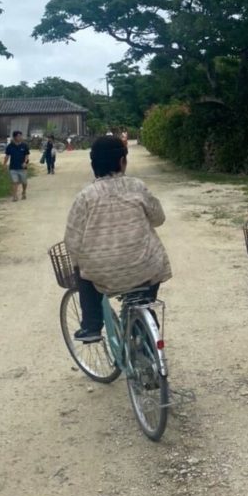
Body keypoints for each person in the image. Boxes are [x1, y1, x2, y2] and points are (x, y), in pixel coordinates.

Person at [64, 135, 172, 342]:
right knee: (146, 288)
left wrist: (83, 258)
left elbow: (72, 241)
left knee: (80, 267)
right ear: (122, 162)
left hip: (103, 274)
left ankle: (92, 325)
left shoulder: (85, 197)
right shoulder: (137, 187)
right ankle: (144, 319)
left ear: (93, 164)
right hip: (145, 268)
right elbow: (159, 219)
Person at [4, 130, 30, 202]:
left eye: (21, 136)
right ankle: (15, 196)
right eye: (19, 136)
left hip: (22, 168)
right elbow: (7, 156)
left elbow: (27, 155)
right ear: (14, 137)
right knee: (14, 181)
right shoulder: (10, 146)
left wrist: (25, 162)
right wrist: (4, 164)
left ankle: (24, 192)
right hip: (13, 167)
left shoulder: (24, 145)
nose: (20, 137)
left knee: (24, 182)